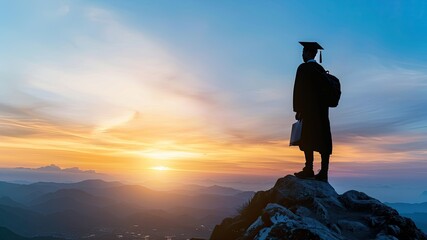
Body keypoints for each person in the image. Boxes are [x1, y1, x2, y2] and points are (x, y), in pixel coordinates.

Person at [293, 41, 332, 182]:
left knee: (307, 139)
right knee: (323, 140)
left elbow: (298, 90)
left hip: (308, 111)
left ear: (309, 53)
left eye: (303, 52)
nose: (302, 55)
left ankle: (308, 169)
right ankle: (324, 172)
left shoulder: (303, 68)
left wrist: (298, 109)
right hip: (321, 112)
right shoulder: (321, 70)